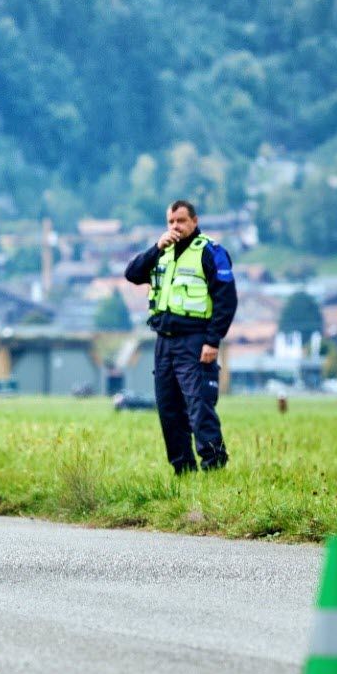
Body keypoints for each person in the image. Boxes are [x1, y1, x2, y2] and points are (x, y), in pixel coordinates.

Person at [124, 199, 238, 472]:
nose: (176, 226)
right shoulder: (161, 252)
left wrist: (213, 340)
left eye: (181, 221)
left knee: (199, 406)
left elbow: (226, 299)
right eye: (171, 221)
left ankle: (214, 467)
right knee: (169, 410)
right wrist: (156, 247)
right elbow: (132, 274)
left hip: (195, 340)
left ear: (194, 222)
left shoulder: (210, 252)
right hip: (164, 341)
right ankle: (183, 470)